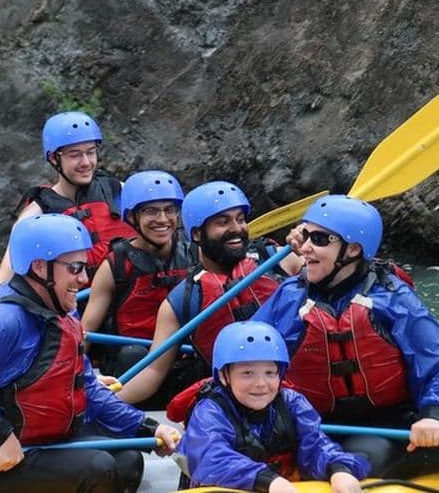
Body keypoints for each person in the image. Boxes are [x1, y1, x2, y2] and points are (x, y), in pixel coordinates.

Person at [0, 213, 180, 493]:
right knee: (98, 468)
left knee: (127, 461)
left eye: (85, 268)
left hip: (36, 443)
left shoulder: (61, 317)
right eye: (75, 267)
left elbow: (87, 387)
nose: (83, 278)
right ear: (40, 267)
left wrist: (146, 428)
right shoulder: (0, 320)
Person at [252, 194, 439, 478]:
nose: (304, 248)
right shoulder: (291, 296)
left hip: (382, 425)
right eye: (305, 236)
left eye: (319, 239)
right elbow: (245, 354)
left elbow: (434, 363)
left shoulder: (393, 298)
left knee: (362, 456)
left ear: (352, 250)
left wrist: (433, 417)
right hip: (307, 423)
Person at [113, 181, 302, 405]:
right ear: (196, 234)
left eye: (240, 219)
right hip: (240, 405)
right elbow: (152, 373)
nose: (236, 228)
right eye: (223, 222)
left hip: (296, 393)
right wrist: (102, 403)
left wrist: (310, 238)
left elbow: (334, 274)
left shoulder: (279, 259)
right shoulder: (181, 300)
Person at [176, 320, 369, 492]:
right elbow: (212, 458)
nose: (261, 383)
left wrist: (338, 469)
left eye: (270, 372)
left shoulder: (292, 403)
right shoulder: (210, 411)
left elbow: (316, 446)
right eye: (247, 373)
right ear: (224, 376)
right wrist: (267, 480)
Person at [81, 170, 199, 408]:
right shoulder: (115, 265)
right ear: (133, 217)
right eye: (151, 211)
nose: (163, 219)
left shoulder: (194, 255)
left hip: (181, 361)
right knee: (132, 353)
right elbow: (85, 333)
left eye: (170, 210)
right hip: (133, 367)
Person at [0, 111, 136, 284]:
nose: (85, 162)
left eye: (91, 152)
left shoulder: (122, 191)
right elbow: (4, 280)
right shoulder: (35, 215)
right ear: (54, 158)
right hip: (77, 303)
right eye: (75, 155)